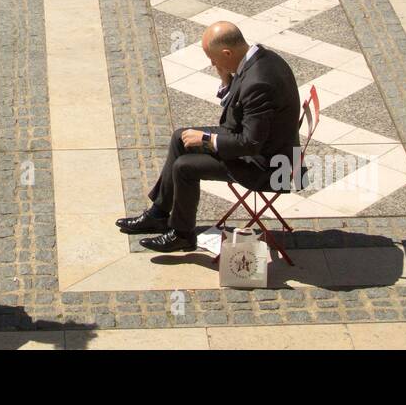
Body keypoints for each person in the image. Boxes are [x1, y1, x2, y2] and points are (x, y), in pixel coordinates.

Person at [115, 22, 301, 253]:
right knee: (179, 137)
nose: (212, 64)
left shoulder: (259, 83)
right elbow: (244, 110)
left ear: (227, 53)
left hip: (271, 168)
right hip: (263, 147)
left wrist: (207, 140)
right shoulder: (261, 57)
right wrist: (226, 80)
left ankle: (182, 234)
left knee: (185, 167)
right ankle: (158, 214)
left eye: (213, 59)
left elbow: (250, 143)